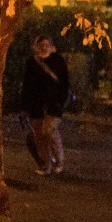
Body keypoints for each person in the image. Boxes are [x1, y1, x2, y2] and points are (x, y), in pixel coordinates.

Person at [21, 36, 70, 175]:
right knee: (39, 135)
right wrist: (25, 106)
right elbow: (27, 85)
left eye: (46, 44)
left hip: (54, 103)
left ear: (51, 46)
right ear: (36, 46)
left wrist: (61, 100)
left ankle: (59, 161)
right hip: (37, 103)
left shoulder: (57, 60)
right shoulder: (32, 62)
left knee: (49, 131)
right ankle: (46, 164)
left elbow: (65, 82)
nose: (44, 47)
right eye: (41, 44)